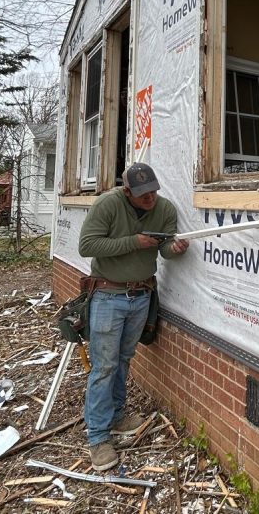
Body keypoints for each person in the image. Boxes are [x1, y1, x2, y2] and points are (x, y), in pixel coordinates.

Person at [78, 162, 189, 471]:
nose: (150, 198)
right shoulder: (108, 205)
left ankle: (116, 416)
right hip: (108, 295)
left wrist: (175, 248)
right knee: (104, 366)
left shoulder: (164, 209)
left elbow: (164, 248)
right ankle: (98, 438)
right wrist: (134, 242)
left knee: (124, 359)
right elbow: (86, 245)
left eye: (153, 191)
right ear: (127, 191)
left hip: (141, 296)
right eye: (142, 194)